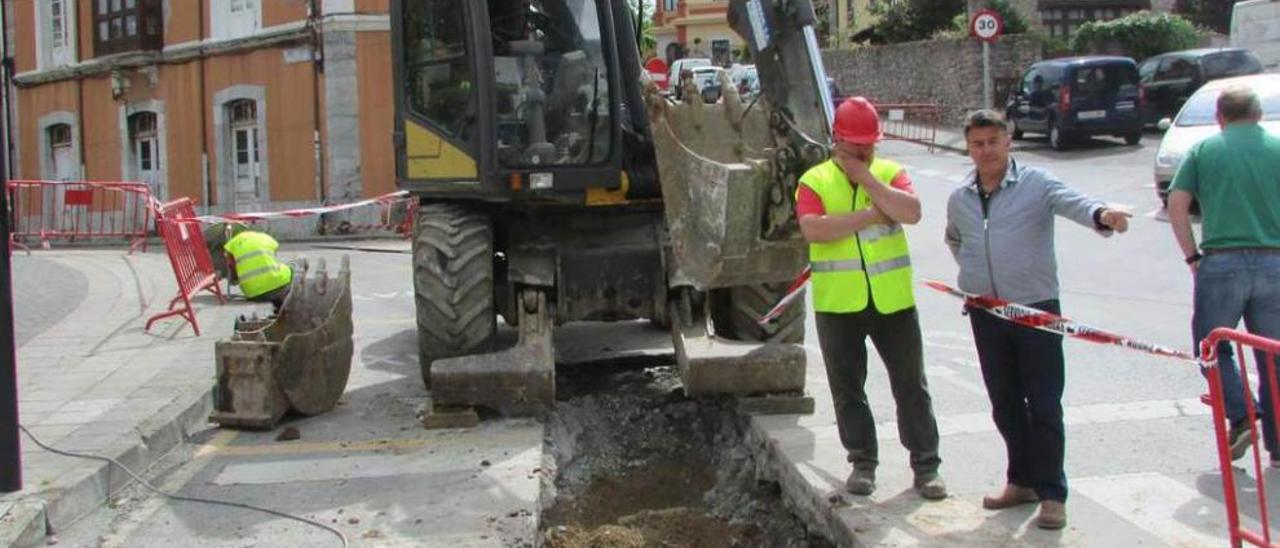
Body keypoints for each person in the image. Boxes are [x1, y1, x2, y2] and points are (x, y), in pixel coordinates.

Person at [944, 110, 1131, 530]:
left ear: (1008, 141)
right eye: (978, 143)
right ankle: (1021, 480)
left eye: (993, 141)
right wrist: (975, 277)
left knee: (1044, 405)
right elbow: (955, 238)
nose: (986, 150)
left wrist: (1104, 215)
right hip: (986, 312)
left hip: (1035, 312)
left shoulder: (1036, 184)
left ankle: (1052, 494)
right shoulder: (961, 197)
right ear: (969, 147)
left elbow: (1077, 204)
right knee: (1004, 403)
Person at [796, 97, 946, 500]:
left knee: (911, 385)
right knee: (848, 389)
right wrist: (870, 215)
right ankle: (862, 464)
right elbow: (813, 229)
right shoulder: (814, 181)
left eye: (868, 146)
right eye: (854, 147)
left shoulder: (890, 173)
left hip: (892, 303)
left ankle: (926, 467)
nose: (862, 152)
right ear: (836, 140)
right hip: (838, 306)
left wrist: (866, 179)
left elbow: (911, 212)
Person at [1167, 85, 1280, 466]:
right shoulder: (1277, 147)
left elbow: (1177, 204)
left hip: (1222, 261)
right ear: (1257, 114)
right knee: (1273, 355)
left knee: (1212, 346)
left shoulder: (1204, 150)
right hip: (1274, 262)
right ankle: (1279, 445)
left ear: (1220, 117)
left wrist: (1191, 256)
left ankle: (1242, 414)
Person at [218, 223, 293, 311]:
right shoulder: (265, 237)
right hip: (279, 287)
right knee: (291, 268)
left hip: (254, 293)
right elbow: (273, 255)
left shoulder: (231, 244)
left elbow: (231, 268)